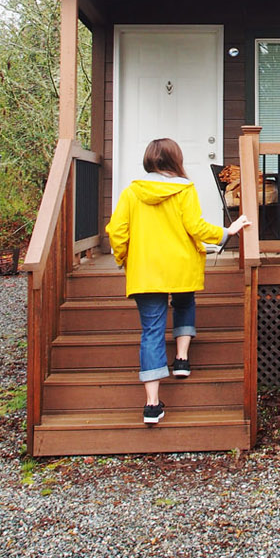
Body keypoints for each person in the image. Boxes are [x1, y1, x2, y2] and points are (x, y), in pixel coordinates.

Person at [107, 137, 251, 426]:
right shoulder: (185, 190)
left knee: (151, 330)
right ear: (176, 160)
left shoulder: (132, 192)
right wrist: (228, 231)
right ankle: (182, 360)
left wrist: (124, 259)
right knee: (185, 302)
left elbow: (117, 232)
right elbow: (195, 227)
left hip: (145, 270)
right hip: (180, 265)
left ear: (149, 161)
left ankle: (151, 405)